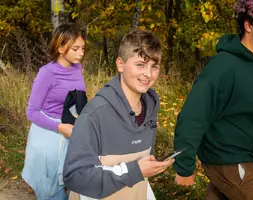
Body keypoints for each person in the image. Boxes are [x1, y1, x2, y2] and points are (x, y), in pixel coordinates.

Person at [173, 0, 253, 199]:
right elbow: (193, 115)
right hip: (229, 157)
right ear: (249, 25)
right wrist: (184, 166)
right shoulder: (222, 67)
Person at [63, 30, 174, 200]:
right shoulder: (94, 114)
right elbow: (75, 177)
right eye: (140, 65)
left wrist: (149, 167)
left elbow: (139, 165)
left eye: (155, 66)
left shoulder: (151, 107)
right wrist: (135, 171)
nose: (148, 74)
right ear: (120, 64)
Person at [22, 23, 86, 200]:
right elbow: (32, 112)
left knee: (71, 187)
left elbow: (75, 99)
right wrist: (60, 127)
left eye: (83, 48)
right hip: (49, 138)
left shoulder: (77, 68)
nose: (81, 53)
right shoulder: (46, 73)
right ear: (60, 47)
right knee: (52, 192)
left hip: (72, 134)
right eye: (76, 48)